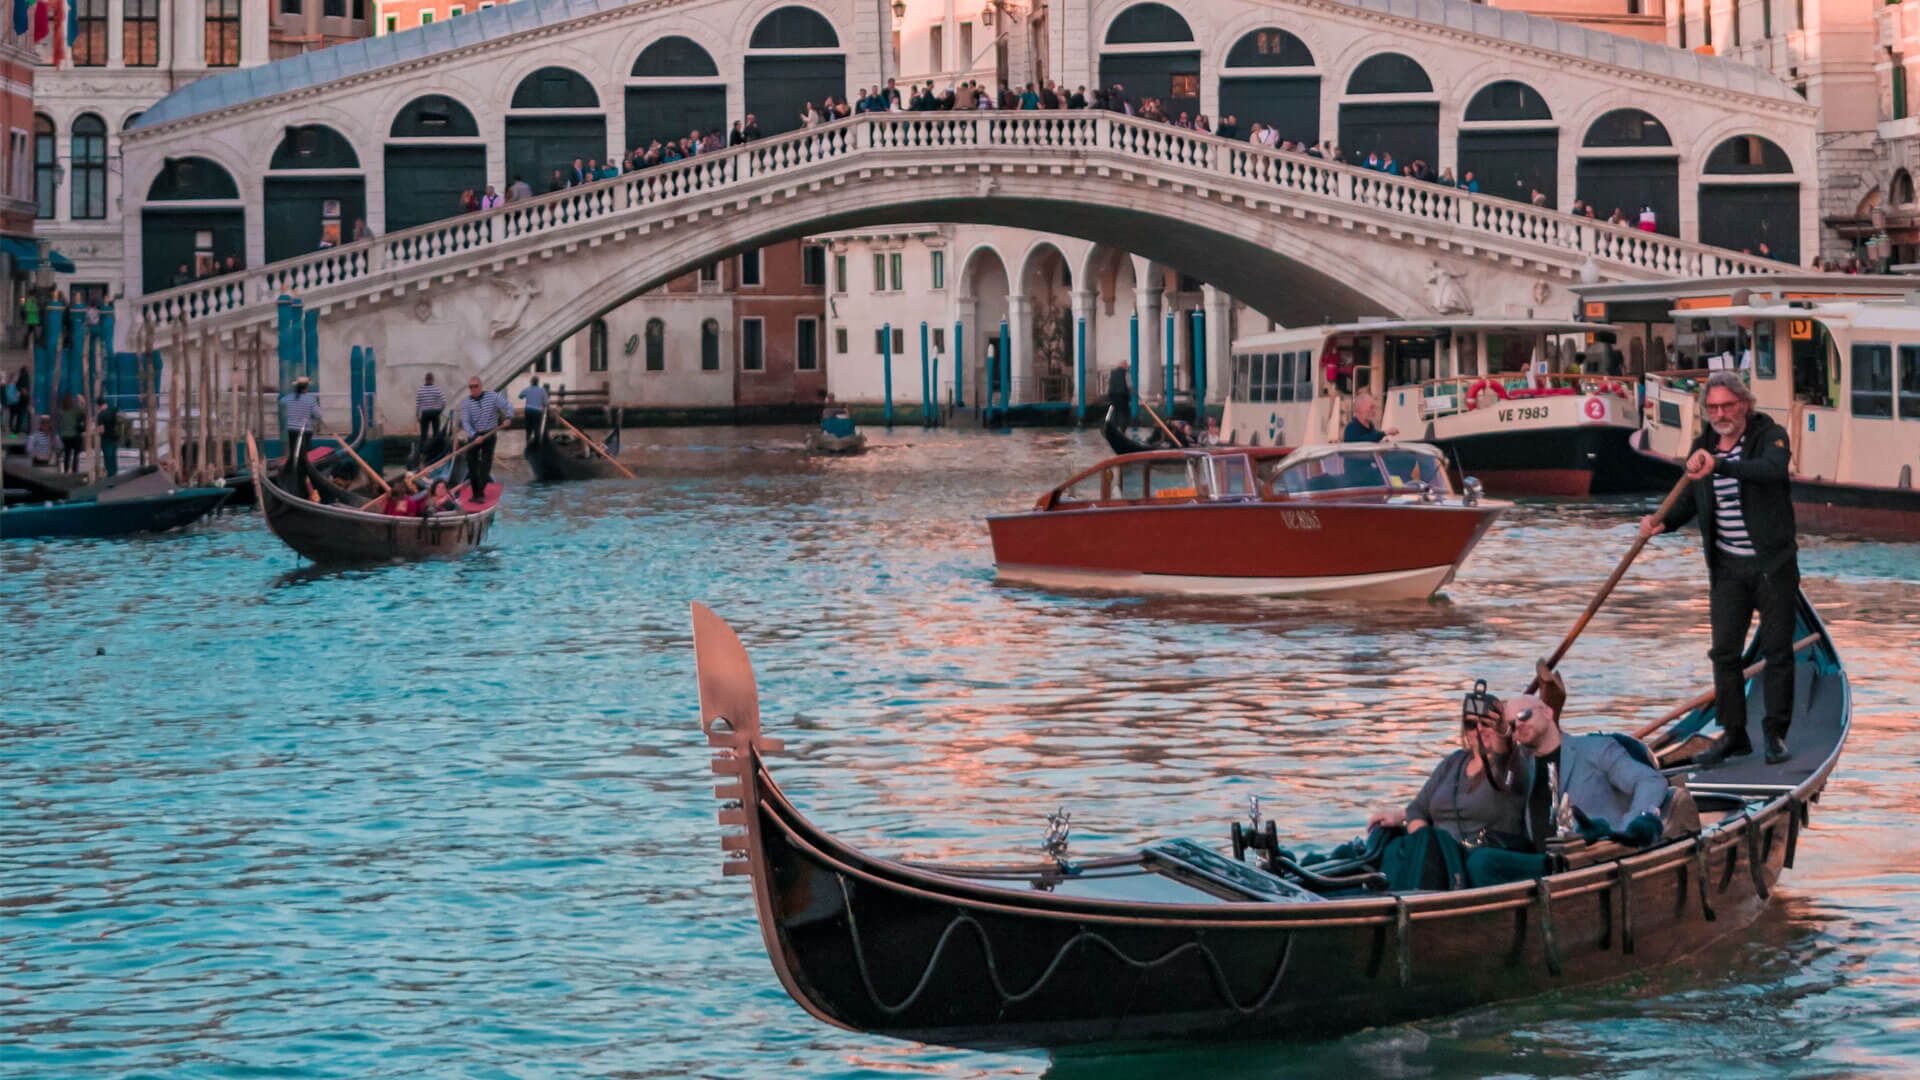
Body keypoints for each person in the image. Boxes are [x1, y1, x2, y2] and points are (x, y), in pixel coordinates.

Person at [1639, 371, 1799, 766]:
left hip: (1772, 566)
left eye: (1727, 405)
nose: (1720, 413)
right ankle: (1734, 734)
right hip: (1728, 569)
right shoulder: (1702, 447)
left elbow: (1772, 471)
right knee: (1724, 653)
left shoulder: (1771, 436)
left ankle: (1776, 733)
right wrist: (1662, 521)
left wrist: (1721, 466)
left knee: (1778, 651)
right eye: (1712, 407)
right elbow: (1692, 497)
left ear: (1744, 404)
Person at [1369, 692, 1525, 845]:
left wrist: (1505, 733)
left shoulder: (1511, 765)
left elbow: (1507, 754)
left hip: (1480, 852)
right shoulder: (1454, 762)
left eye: (1486, 724)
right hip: (1437, 851)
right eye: (1471, 725)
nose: (1479, 730)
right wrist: (1426, 843)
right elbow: (1416, 809)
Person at [458, 376, 511, 492]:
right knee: (471, 462)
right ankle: (475, 492)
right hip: (474, 434)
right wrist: (474, 435)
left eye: (475, 386)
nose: (473, 389)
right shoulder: (466, 403)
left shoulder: (493, 397)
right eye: (471, 387)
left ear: (481, 387)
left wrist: (508, 417)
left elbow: (508, 406)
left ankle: (480, 490)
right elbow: (465, 423)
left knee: (485, 464)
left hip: (489, 433)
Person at [280, 375, 323, 486]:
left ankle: (292, 472)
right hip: (305, 430)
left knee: (294, 452)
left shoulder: (288, 398)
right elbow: (319, 415)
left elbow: (281, 402)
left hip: (291, 430)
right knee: (304, 455)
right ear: (306, 387)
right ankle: (301, 476)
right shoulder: (310, 400)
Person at [415, 372, 446, 448]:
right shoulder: (436, 389)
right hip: (435, 413)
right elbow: (444, 401)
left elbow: (418, 404)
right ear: (432, 380)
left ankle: (422, 451)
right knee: (436, 433)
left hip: (425, 413)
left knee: (424, 434)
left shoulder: (420, 390)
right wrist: (440, 411)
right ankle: (436, 450)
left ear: (425, 380)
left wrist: (417, 415)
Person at [57, 393, 86, 472]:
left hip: (64, 436)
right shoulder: (75, 409)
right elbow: (84, 412)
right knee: (76, 454)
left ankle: (66, 470)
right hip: (74, 435)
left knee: (67, 454)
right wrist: (83, 402)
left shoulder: (61, 411)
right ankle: (74, 470)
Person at [519, 377, 549, 444]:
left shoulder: (527, 389)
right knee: (537, 428)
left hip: (528, 410)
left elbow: (520, 396)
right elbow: (546, 403)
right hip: (538, 411)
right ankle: (536, 444)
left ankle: (528, 443)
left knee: (528, 428)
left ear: (531, 382)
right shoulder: (542, 390)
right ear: (538, 382)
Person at [96, 396, 119, 477]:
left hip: (106, 438)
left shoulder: (101, 416)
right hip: (114, 436)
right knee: (113, 457)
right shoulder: (112, 410)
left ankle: (110, 475)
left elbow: (101, 430)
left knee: (107, 457)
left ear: (98, 405)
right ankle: (115, 472)